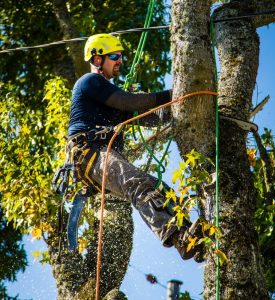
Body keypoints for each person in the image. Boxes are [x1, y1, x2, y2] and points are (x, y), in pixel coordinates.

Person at [67, 33, 203, 262]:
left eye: (120, 56)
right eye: (114, 56)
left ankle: (191, 239)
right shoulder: (90, 83)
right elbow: (130, 102)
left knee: (160, 189)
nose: (120, 60)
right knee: (137, 184)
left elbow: (147, 116)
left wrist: (183, 108)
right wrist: (174, 94)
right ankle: (178, 237)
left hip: (100, 156)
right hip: (87, 154)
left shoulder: (109, 98)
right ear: (97, 59)